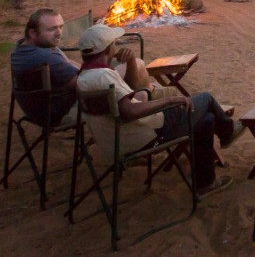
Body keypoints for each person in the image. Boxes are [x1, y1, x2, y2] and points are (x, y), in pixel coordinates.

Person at [76, 24, 239, 197]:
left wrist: (131, 61)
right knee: (206, 99)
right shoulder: (103, 76)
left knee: (205, 119)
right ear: (109, 48)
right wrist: (168, 100)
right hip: (148, 136)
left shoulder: (85, 77)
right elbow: (129, 111)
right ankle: (228, 132)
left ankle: (205, 183)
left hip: (119, 140)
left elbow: (130, 90)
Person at [11, 8, 159, 125]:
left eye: (60, 27)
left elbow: (69, 65)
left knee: (137, 76)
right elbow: (87, 84)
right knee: (138, 70)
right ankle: (144, 115)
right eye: (52, 29)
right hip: (62, 112)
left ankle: (147, 92)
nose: (59, 33)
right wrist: (104, 67)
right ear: (32, 32)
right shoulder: (46, 58)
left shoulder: (22, 49)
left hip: (40, 109)